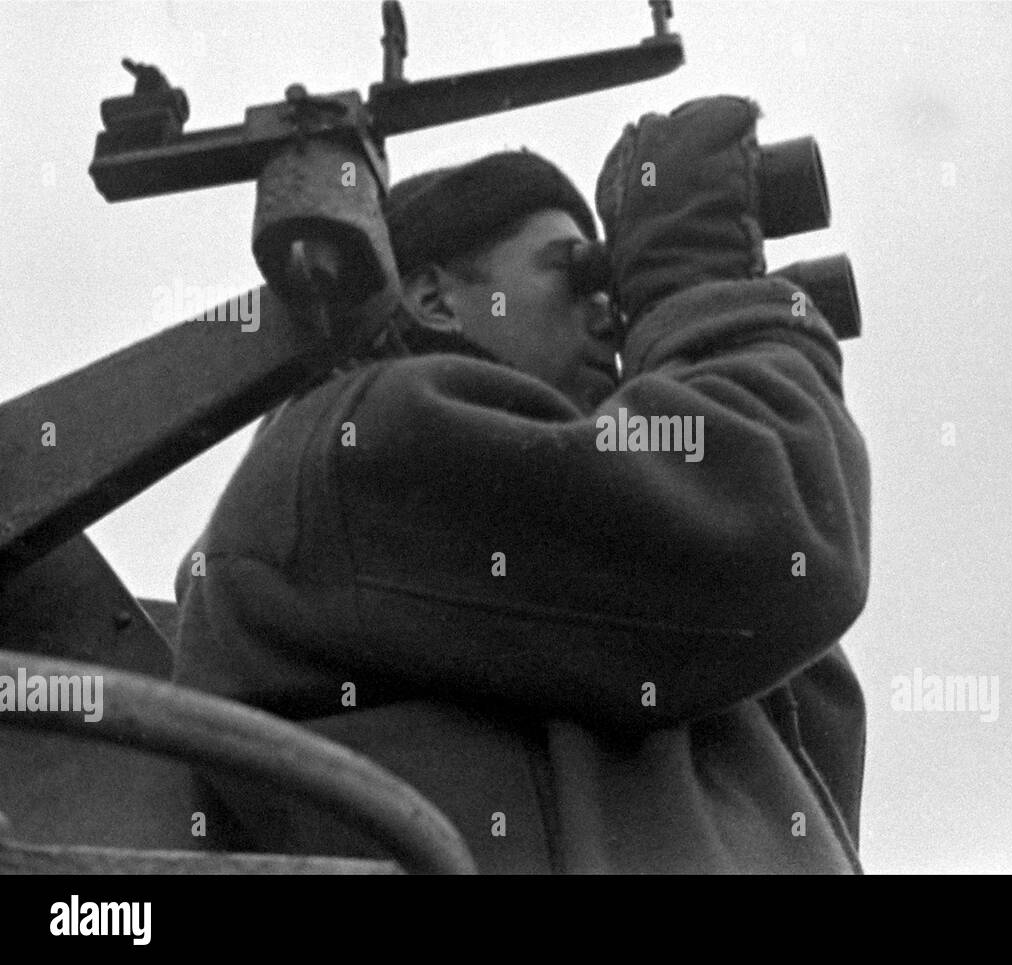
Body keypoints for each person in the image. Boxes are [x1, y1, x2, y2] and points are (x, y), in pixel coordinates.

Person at [172, 96, 871, 873]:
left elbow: (788, 646)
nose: (610, 312)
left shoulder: (601, 584)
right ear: (432, 297)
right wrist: (703, 294)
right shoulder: (362, 443)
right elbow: (776, 531)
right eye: (571, 271)